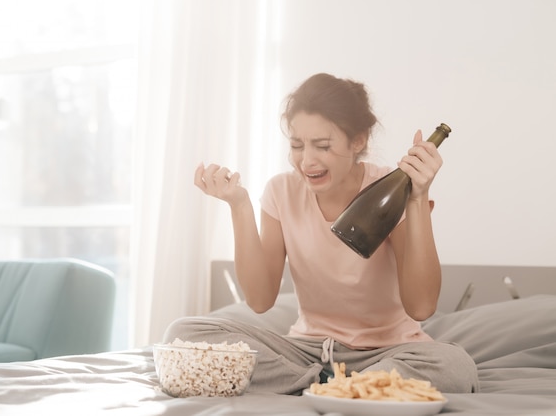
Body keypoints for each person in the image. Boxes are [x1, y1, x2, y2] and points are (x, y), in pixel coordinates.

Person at [163, 73, 479, 395]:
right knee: (185, 333)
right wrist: (239, 205)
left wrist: (417, 197)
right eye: (297, 145)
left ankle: (343, 385)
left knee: (454, 364)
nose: (306, 160)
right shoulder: (281, 191)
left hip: (386, 353)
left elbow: (422, 307)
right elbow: (259, 301)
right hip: (305, 353)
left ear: (358, 141)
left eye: (322, 146)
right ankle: (346, 389)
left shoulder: (391, 188)